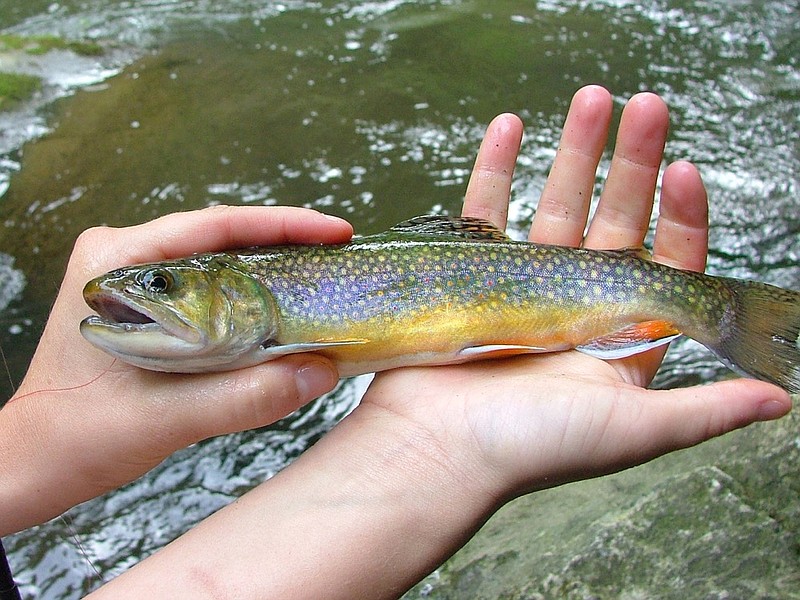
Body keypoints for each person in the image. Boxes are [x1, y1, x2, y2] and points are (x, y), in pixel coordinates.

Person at [0, 86, 791, 598]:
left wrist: (28, 445)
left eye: (165, 287)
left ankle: (727, 311)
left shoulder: (287, 312)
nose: (136, 302)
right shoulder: (271, 312)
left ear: (229, 288)